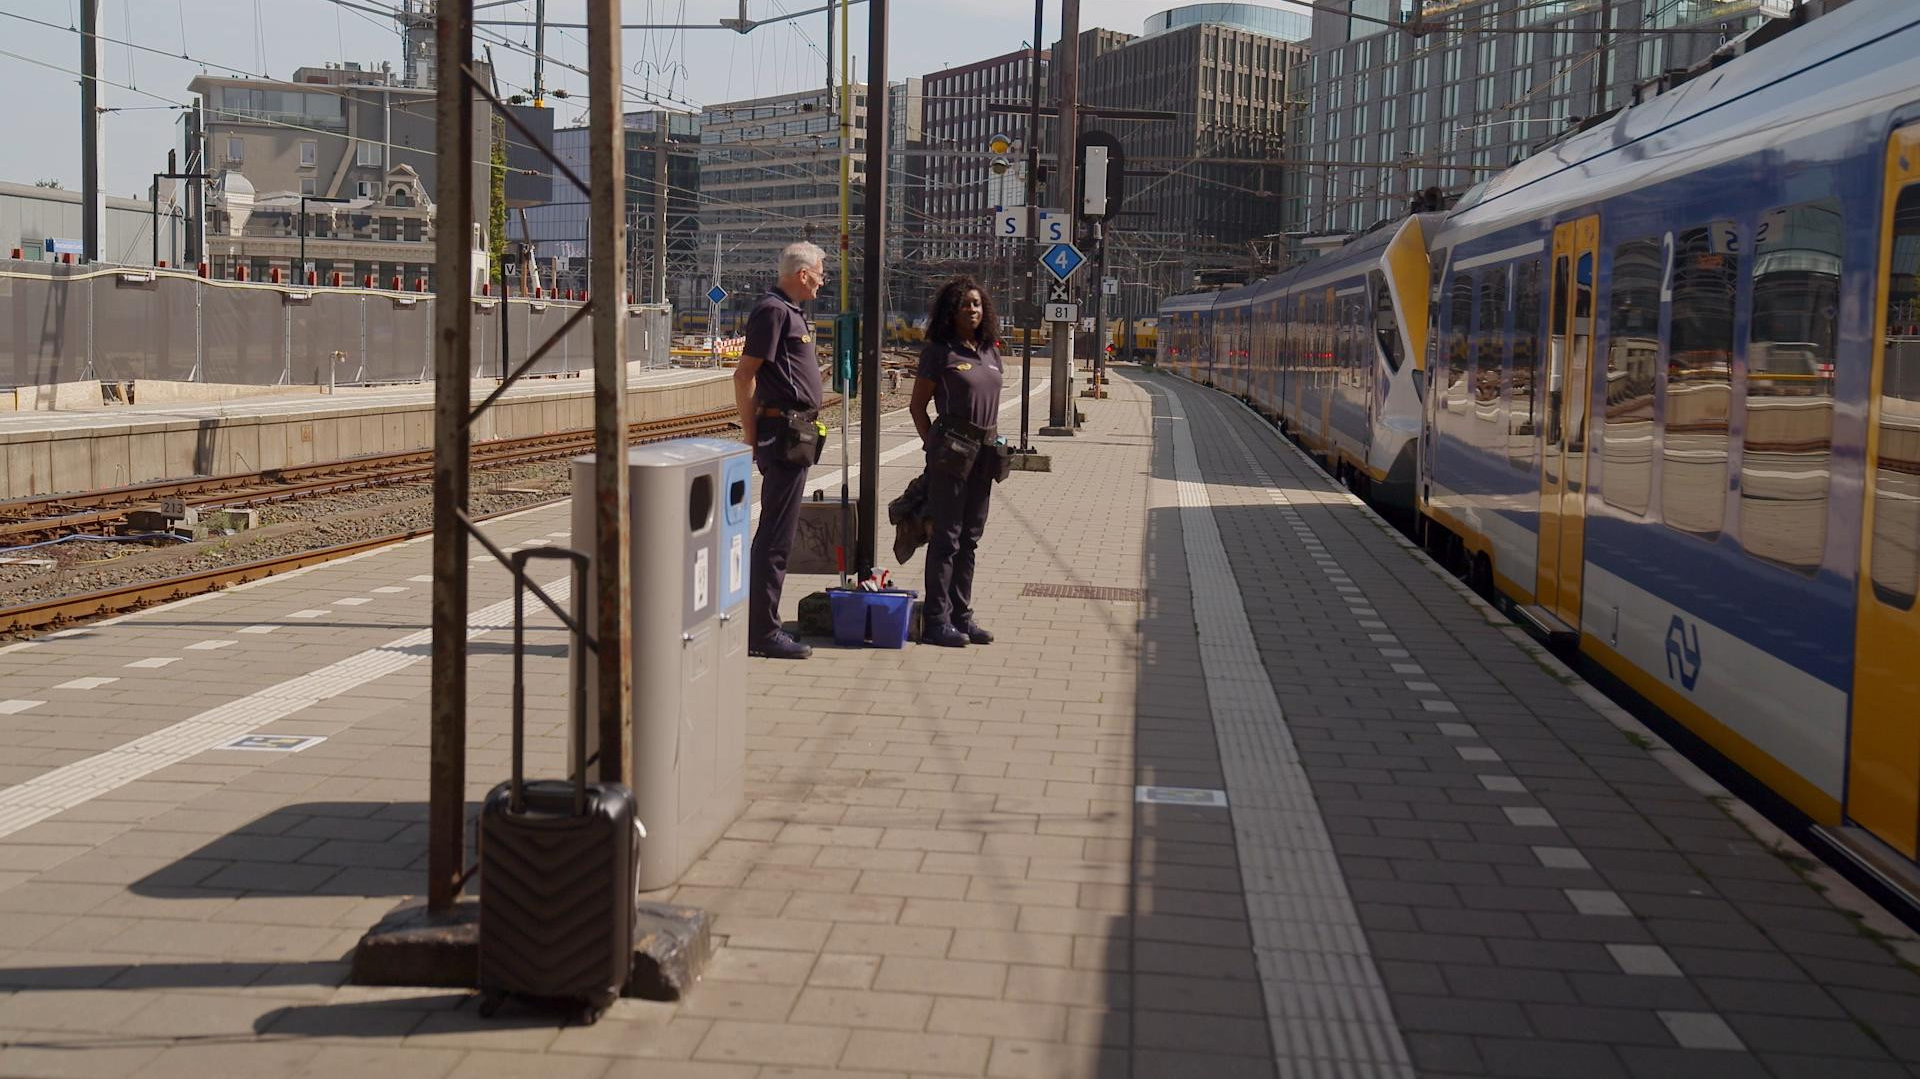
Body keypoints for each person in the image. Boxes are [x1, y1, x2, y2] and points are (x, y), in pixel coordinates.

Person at [734, 241, 828, 660]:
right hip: (783, 432)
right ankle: (762, 632)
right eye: (820, 273)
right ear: (803, 274)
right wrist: (751, 435)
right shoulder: (773, 311)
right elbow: (745, 375)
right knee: (775, 537)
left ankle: (762, 626)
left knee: (779, 534)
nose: (823, 281)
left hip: (795, 432)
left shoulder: (790, 312)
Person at [910, 277, 1006, 648]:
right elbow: (918, 407)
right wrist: (932, 448)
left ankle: (961, 617)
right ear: (951, 311)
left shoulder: (990, 351)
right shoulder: (939, 352)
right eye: (965, 304)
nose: (972, 310)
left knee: (970, 539)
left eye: (977, 304)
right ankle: (937, 621)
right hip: (951, 454)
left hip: (985, 454)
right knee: (946, 539)